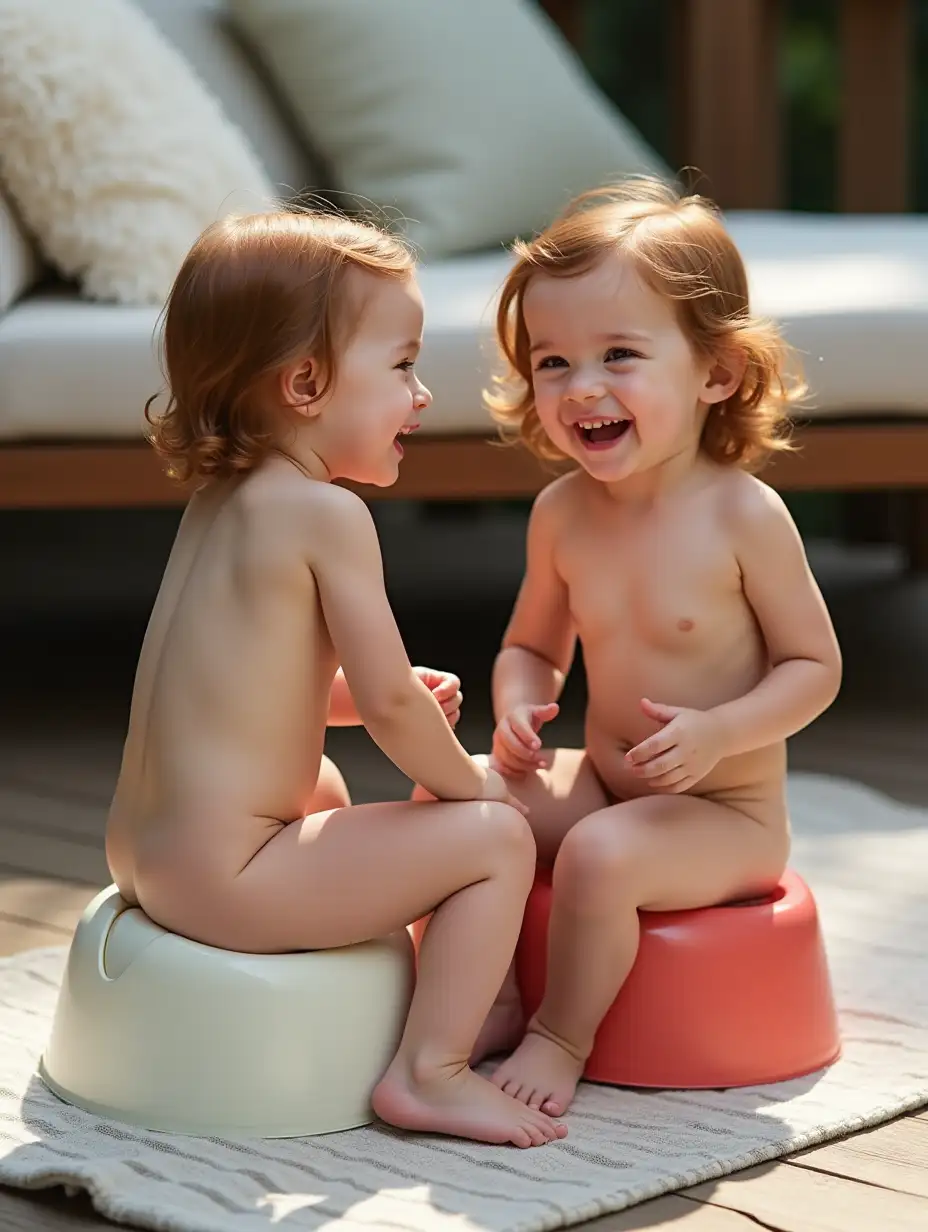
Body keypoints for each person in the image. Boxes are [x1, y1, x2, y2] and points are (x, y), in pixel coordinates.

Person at [104, 209, 567, 1148]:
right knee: (495, 843)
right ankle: (431, 1070)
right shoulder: (327, 516)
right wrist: (472, 791)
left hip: (142, 852)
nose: (423, 394)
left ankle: (420, 1010)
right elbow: (396, 707)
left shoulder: (220, 502)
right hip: (227, 880)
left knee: (320, 782)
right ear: (308, 383)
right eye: (402, 366)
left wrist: (359, 703)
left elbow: (241, 691)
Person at [468, 178, 842, 1117]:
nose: (580, 387)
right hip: (603, 778)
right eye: (552, 362)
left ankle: (560, 1037)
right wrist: (518, 706)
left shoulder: (743, 516)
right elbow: (530, 646)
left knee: (599, 856)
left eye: (620, 355)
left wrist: (720, 734)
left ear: (714, 373)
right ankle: (493, 991)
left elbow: (815, 668)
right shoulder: (562, 514)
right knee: (463, 791)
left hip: (725, 817)